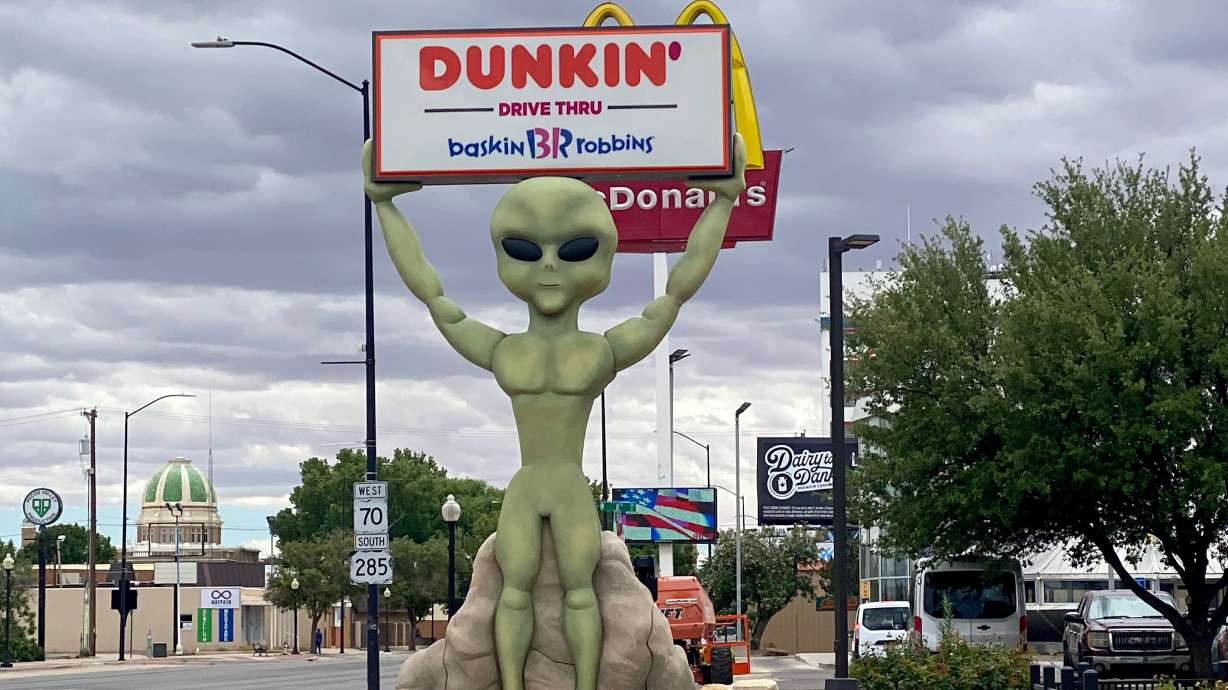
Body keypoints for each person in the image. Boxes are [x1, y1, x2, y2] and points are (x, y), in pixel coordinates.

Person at [364, 134, 747, 690]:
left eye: (573, 251)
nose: (547, 267)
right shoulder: (525, 351)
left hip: (565, 485)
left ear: (601, 259)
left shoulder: (587, 351)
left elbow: (674, 294)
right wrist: (384, 206)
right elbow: (432, 295)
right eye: (525, 250)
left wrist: (725, 201)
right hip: (535, 486)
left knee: (579, 592)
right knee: (515, 594)